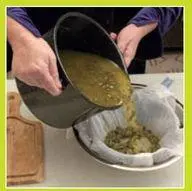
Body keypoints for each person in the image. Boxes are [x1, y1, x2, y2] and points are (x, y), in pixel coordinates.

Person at [7, 7, 182, 96]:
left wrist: (143, 23)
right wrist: (20, 37)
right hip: (41, 43)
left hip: (119, 44)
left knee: (120, 94)